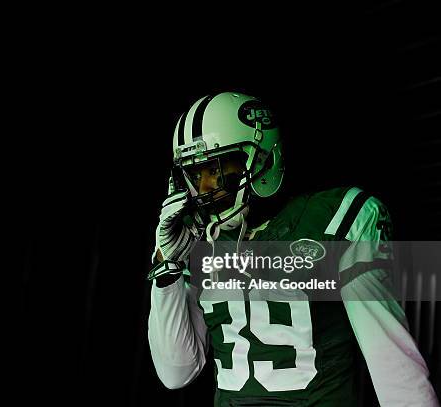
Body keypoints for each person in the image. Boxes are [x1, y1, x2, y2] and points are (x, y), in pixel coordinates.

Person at [147, 91, 439, 406]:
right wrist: (167, 267)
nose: (205, 188)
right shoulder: (201, 240)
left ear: (264, 158)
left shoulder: (333, 220)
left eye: (217, 170)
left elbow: (390, 362)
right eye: (197, 174)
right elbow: (176, 373)